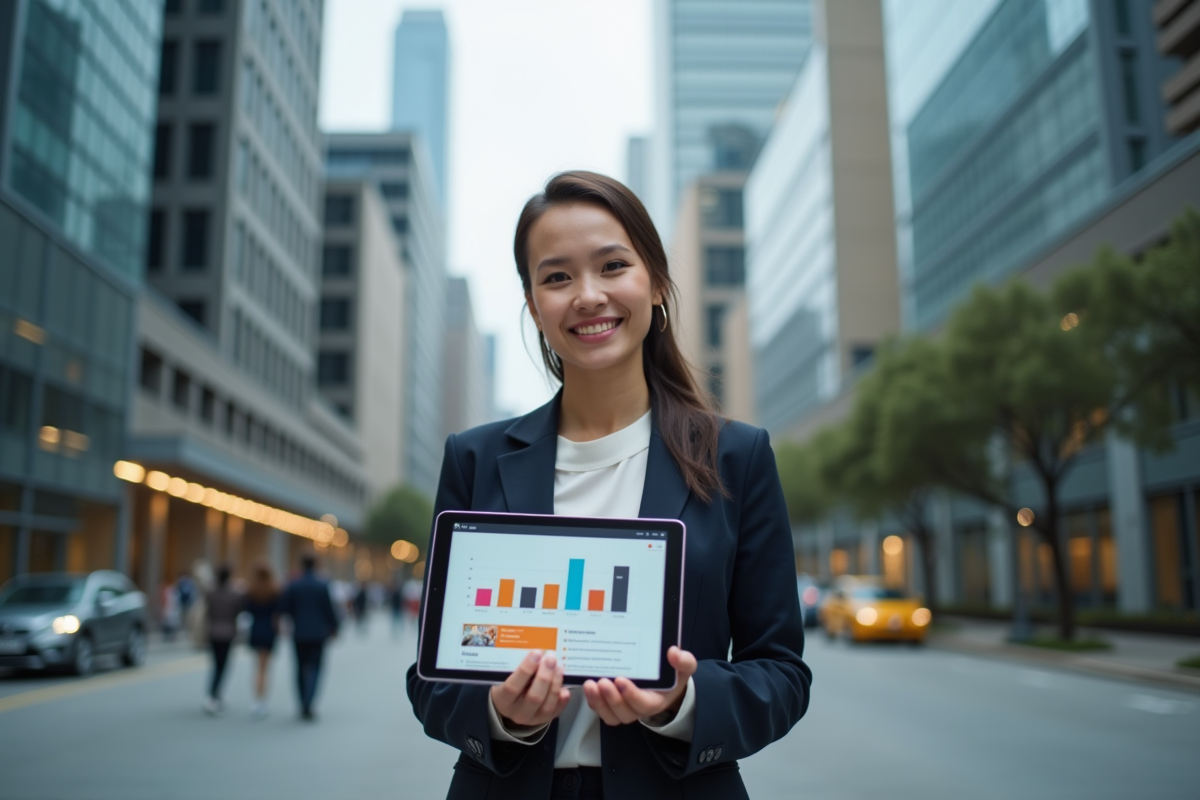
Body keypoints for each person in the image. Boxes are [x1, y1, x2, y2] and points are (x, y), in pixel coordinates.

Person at [405, 171, 811, 799]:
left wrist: (682, 701)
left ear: (655, 282)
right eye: (557, 277)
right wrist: (502, 716)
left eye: (612, 265)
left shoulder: (737, 457)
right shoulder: (476, 458)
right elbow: (431, 678)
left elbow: (782, 673)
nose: (588, 296)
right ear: (534, 304)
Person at [280, 553, 339, 721]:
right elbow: (329, 609)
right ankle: (309, 702)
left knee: (299, 667)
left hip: (299, 632)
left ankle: (301, 702)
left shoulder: (293, 584)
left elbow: (285, 607)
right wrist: (334, 627)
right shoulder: (322, 585)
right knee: (316, 667)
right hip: (318, 634)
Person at [244, 560, 282, 719]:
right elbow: (279, 613)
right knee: (265, 668)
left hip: (256, 629)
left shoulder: (251, 590)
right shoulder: (275, 590)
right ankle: (261, 701)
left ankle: (257, 700)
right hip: (269, 630)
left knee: (257, 667)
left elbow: (246, 610)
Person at [203, 565, 241, 716]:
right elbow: (238, 612)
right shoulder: (234, 594)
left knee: (215, 665)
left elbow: (207, 611)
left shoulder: (211, 592)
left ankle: (215, 694)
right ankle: (214, 695)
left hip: (213, 631)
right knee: (223, 666)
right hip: (227, 633)